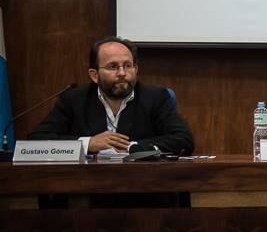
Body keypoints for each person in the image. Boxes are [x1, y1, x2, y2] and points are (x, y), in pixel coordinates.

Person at [29, 36, 193, 156]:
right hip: (87, 187)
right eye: (113, 67)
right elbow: (36, 141)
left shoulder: (155, 97)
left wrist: (132, 147)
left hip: (142, 187)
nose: (122, 73)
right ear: (94, 75)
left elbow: (184, 139)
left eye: (128, 66)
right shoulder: (74, 99)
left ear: (136, 70)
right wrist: (88, 143)